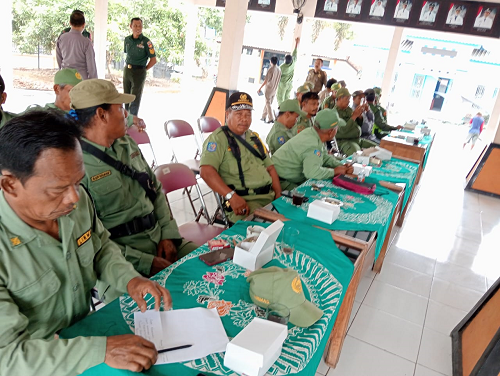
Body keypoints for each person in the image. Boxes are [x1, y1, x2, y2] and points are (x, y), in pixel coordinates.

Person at [0, 111, 172, 375]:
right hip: (37, 359)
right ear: (10, 184)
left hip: (80, 332)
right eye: (58, 190)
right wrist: (101, 351)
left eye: (78, 183)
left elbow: (101, 248)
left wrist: (130, 280)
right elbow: (8, 357)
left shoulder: (73, 206)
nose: (74, 199)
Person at [69, 79, 198, 301]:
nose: (126, 114)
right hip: (121, 260)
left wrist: (167, 235)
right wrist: (145, 262)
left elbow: (155, 190)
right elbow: (90, 241)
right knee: (149, 315)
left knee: (212, 266)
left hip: (159, 238)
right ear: (102, 115)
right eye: (120, 108)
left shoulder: (127, 144)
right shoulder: (74, 164)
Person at [200, 92, 282, 223]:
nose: (244, 119)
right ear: (227, 114)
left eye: (248, 115)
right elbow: (206, 172)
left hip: (269, 197)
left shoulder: (253, 137)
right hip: (246, 202)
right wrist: (231, 196)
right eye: (239, 114)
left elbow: (270, 168)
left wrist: (278, 194)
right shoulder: (219, 139)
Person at [272, 109, 354, 190]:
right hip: (280, 181)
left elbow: (324, 156)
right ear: (331, 131)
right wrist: (334, 171)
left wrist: (339, 165)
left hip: (285, 175)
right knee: (309, 197)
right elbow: (311, 173)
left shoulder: (312, 132)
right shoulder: (312, 144)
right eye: (337, 127)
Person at [123, 18, 157, 116]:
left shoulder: (146, 42)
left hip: (139, 72)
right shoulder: (127, 40)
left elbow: (153, 60)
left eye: (140, 26)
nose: (138, 28)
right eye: (135, 25)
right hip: (127, 70)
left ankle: (133, 120)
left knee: (134, 98)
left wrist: (143, 69)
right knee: (126, 97)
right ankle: (125, 120)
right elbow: (127, 53)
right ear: (131, 26)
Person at [334, 88, 377, 156]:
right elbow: (343, 130)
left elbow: (358, 124)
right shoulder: (334, 113)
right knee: (357, 156)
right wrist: (354, 116)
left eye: (349, 99)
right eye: (347, 99)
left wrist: (359, 117)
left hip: (357, 139)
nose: (348, 102)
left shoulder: (349, 110)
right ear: (339, 99)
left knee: (378, 149)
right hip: (345, 141)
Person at [56, 10, 97, 80]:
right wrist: (93, 82)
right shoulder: (86, 42)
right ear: (84, 24)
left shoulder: (61, 38)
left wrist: (62, 71)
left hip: (65, 78)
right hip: (81, 80)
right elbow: (91, 67)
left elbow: (59, 58)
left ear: (70, 23)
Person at [276, 38, 300, 106]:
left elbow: (278, 77)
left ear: (285, 60)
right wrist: (296, 43)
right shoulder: (293, 62)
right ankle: (286, 108)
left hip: (283, 84)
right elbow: (295, 53)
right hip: (290, 84)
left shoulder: (282, 67)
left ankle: (281, 108)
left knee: (280, 97)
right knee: (287, 97)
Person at [258, 56, 282, 123]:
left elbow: (266, 80)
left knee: (268, 103)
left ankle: (271, 118)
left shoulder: (271, 69)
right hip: (275, 89)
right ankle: (263, 116)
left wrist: (260, 88)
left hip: (269, 89)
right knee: (268, 102)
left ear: (270, 61)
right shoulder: (279, 69)